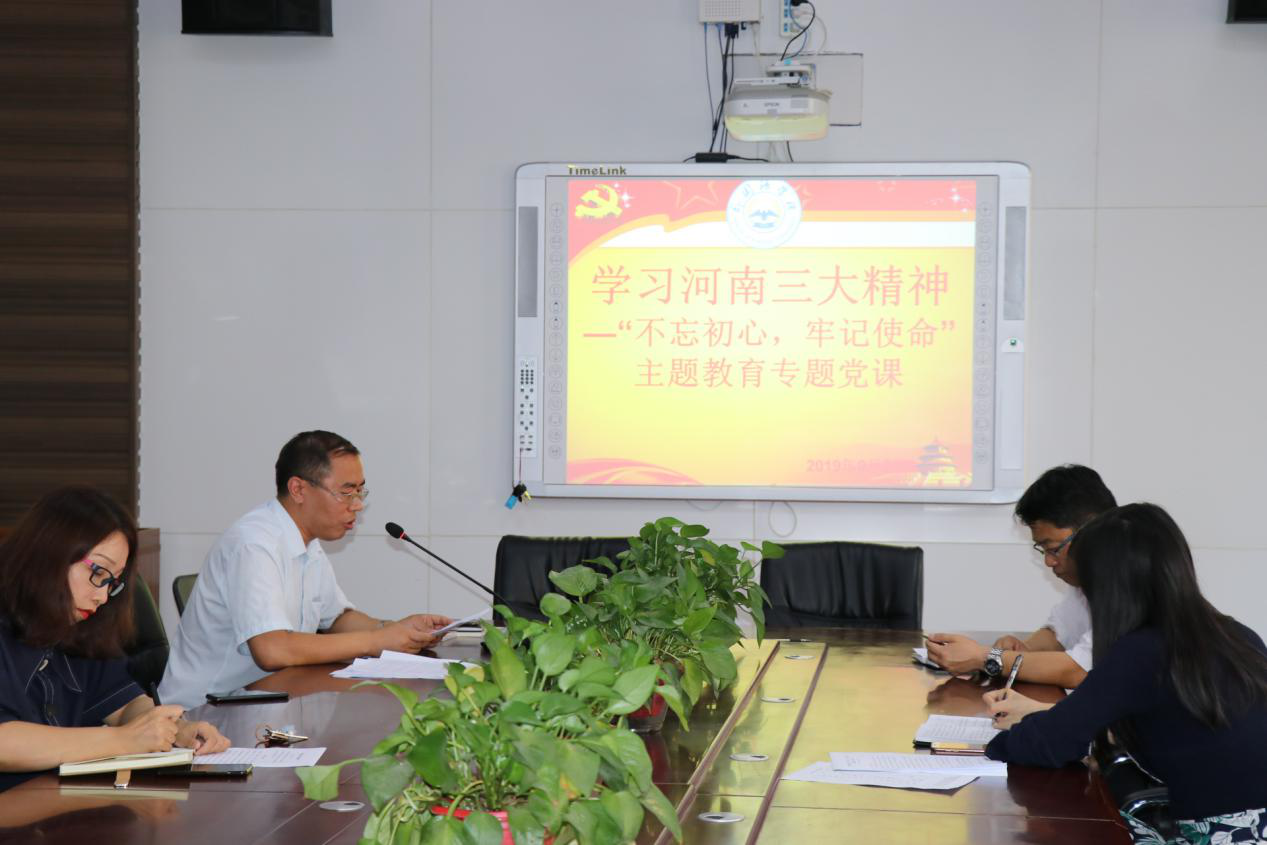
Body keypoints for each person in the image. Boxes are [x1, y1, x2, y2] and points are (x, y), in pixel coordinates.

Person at [983, 503, 1267, 843]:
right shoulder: (1237, 635)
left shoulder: (1142, 650)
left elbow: (1051, 742)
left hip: (1224, 833)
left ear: (1106, 586)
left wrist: (998, 743)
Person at [159, 430, 452, 708]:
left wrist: (396, 629)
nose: (357, 506)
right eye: (346, 492)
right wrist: (376, 642)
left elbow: (337, 618)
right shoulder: (254, 544)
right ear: (298, 489)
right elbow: (272, 650)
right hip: (205, 713)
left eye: (360, 491)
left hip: (266, 699)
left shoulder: (307, 544)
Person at [0, 487, 229, 791]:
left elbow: (123, 704)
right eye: (98, 573)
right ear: (50, 552)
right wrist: (122, 740)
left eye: (112, 583)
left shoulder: (78, 629)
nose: (103, 596)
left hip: (57, 801)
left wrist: (175, 729)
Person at [925, 464, 1116, 688]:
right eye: (1043, 550)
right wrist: (1022, 649)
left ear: (1091, 531)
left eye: (1053, 548)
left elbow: (1079, 671)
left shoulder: (1128, 584)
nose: (1048, 561)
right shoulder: (1086, 580)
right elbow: (1059, 634)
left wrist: (987, 658)